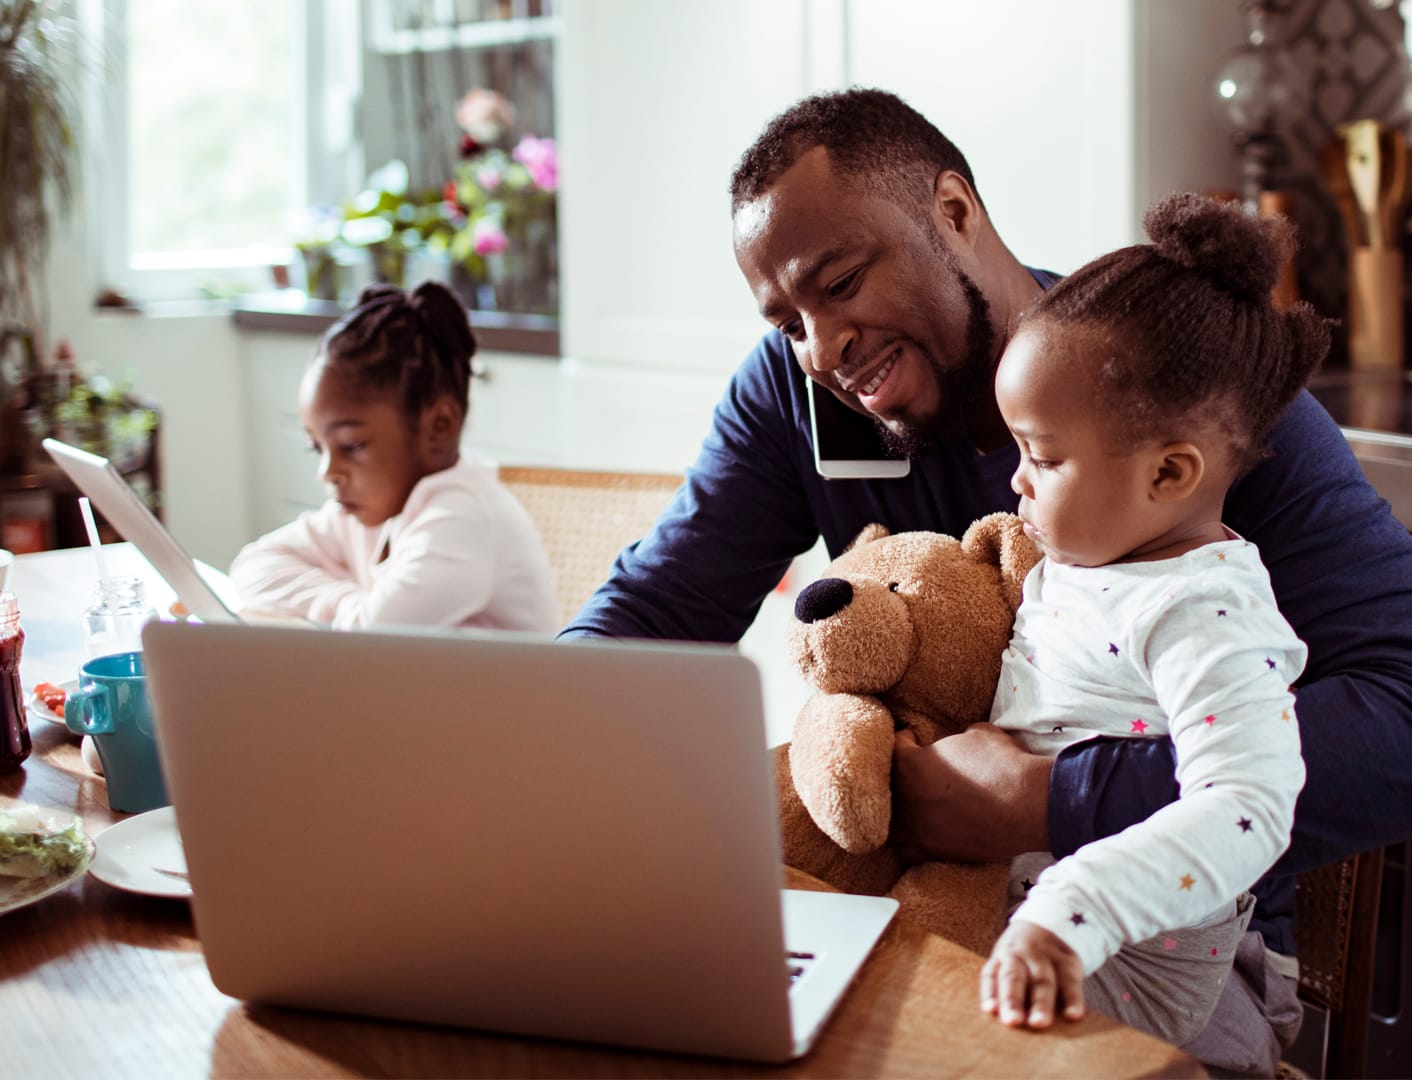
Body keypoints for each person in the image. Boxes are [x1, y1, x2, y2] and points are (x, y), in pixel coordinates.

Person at [558, 87, 1412, 1075]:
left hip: (1149, 969)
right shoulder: (796, 399)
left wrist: (1053, 799)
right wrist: (534, 740)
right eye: (787, 317)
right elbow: (656, 612)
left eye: (838, 282)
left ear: (951, 212)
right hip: (919, 920)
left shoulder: (1175, 400)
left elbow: (1399, 716)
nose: (820, 349)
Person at [977, 192, 1324, 1048]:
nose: (1017, 482)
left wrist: (1073, 907)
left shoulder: (1203, 611)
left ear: (1169, 475)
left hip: (1131, 972)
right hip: (1019, 920)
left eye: (1043, 457)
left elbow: (1248, 802)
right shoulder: (1096, 561)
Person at [231, 281, 558, 633]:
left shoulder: (464, 517)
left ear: (439, 425)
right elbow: (252, 566)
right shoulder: (368, 511)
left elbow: (371, 636)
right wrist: (347, 601)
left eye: (351, 446)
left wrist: (350, 608)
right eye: (317, 448)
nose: (328, 473)